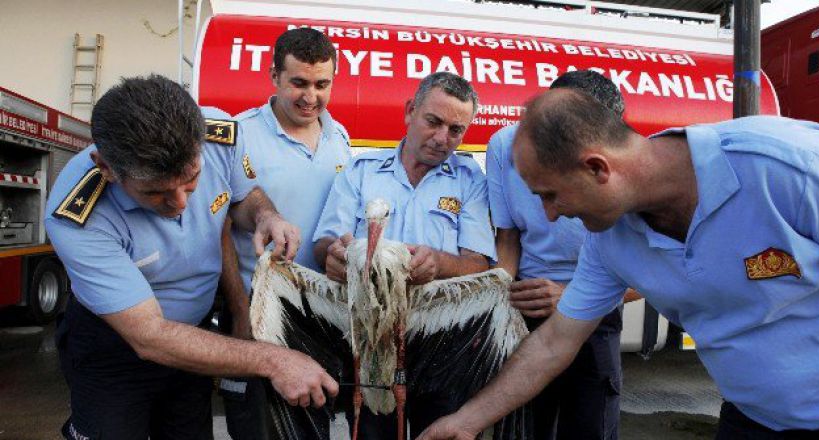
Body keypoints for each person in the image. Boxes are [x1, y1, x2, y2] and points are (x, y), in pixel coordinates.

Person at [418, 88, 819, 440]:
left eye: (550, 195)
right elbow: (555, 342)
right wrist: (465, 421)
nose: (550, 215)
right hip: (752, 422)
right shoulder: (610, 240)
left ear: (598, 168)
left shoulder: (786, 168)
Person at [47, 75, 338, 440]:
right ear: (106, 167)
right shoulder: (78, 218)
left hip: (198, 344)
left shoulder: (219, 135)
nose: (180, 204)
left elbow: (243, 197)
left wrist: (267, 217)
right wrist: (274, 360)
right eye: (156, 193)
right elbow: (150, 337)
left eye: (191, 181)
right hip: (115, 352)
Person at [313, 71, 495, 438]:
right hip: (370, 343)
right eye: (434, 121)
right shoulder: (361, 172)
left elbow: (480, 264)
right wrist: (332, 256)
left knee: (441, 432)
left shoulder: (469, 180)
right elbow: (324, 243)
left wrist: (440, 263)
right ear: (410, 111)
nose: (443, 139)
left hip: (441, 341)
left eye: (456, 130)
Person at [218, 27, 351, 439]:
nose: (311, 96)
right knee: (254, 426)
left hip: (320, 315)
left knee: (312, 427)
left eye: (321, 84)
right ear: (274, 76)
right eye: (299, 82)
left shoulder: (340, 137)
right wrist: (240, 314)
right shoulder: (239, 135)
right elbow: (219, 227)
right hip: (255, 314)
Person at [487, 70, 626, 440]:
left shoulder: (626, 163)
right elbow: (508, 237)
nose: (551, 211)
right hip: (527, 301)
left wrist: (572, 297)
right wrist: (499, 305)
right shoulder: (503, 146)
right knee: (522, 424)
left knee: (590, 424)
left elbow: (649, 273)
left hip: (598, 307)